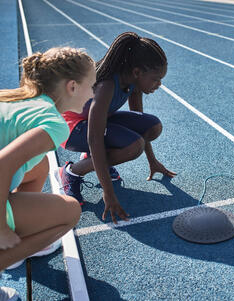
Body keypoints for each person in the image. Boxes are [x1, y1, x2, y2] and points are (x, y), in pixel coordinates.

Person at [0, 47, 96, 299]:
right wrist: (1, 227)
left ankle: (20, 236)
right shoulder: (54, 124)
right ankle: (6, 251)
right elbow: (2, 164)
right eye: (92, 86)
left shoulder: (18, 99)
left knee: (39, 162)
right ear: (72, 86)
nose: (93, 94)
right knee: (70, 211)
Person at [60, 32, 176, 224]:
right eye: (156, 79)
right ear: (137, 72)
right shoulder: (106, 86)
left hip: (96, 123)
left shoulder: (132, 81)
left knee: (153, 127)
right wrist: (108, 192)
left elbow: (142, 126)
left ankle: (92, 158)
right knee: (133, 146)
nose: (159, 84)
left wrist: (152, 161)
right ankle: (72, 172)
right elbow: (94, 138)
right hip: (72, 130)